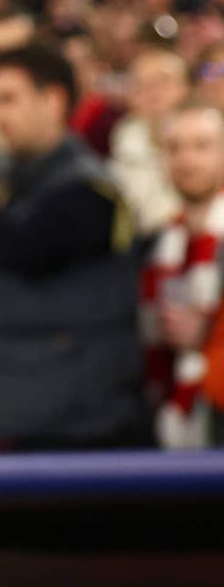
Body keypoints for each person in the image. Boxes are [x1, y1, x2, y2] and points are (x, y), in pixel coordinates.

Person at [0, 43, 145, 450]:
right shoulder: (19, 179)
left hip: (78, 426)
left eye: (8, 99)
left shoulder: (90, 187)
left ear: (52, 100)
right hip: (27, 409)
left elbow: (28, 249)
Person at [142, 101, 224, 447]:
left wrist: (207, 334)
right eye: (175, 148)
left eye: (202, 146)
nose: (187, 160)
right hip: (175, 423)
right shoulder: (156, 247)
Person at [109, 48, 190, 236]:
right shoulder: (119, 154)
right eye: (142, 84)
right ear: (130, 96)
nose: (154, 92)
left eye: (163, 81)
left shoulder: (213, 141)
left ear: (186, 88)